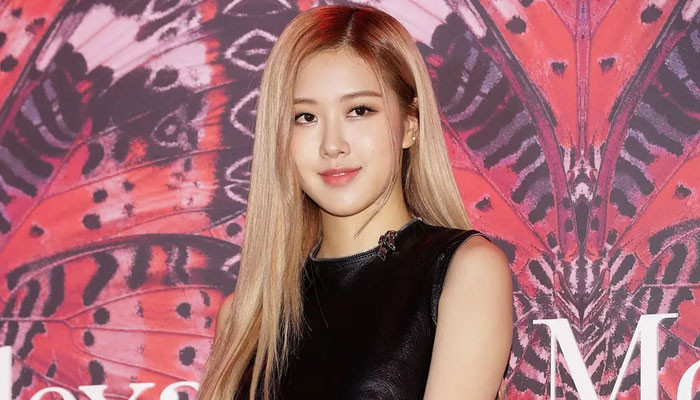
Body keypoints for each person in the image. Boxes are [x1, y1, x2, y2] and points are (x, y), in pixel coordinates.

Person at [197, 4, 513, 400]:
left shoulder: (464, 271)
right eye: (305, 117)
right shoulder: (245, 318)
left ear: (409, 124)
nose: (332, 145)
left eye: (359, 110)